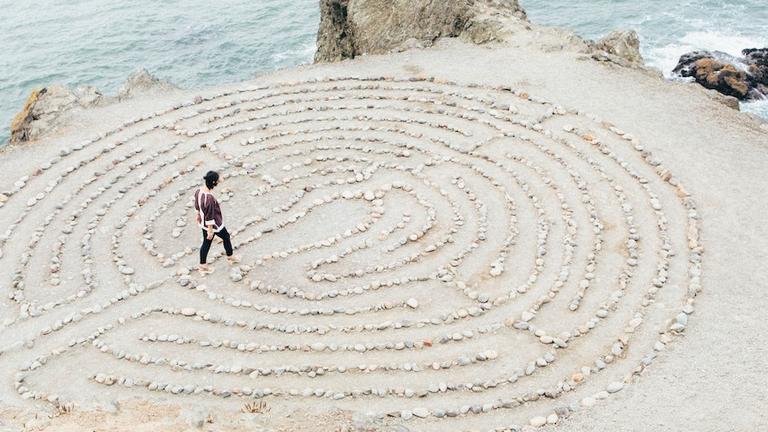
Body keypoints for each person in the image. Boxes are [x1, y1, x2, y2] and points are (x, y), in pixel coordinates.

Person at [194, 171, 239, 274]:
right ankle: (230, 256)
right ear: (213, 182)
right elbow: (210, 215)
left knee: (207, 243)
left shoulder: (198, 191)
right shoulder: (209, 198)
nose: (219, 182)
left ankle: (203, 265)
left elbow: (197, 205)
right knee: (225, 237)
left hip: (203, 222)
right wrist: (210, 231)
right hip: (214, 225)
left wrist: (198, 215)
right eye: (217, 181)